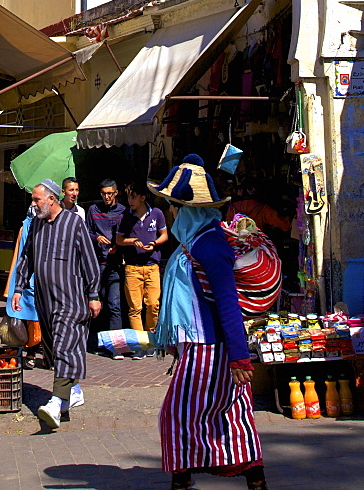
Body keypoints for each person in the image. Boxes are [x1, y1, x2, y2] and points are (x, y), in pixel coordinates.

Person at [150, 154, 268, 490]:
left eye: (174, 206)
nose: (172, 213)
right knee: (232, 417)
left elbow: (227, 301)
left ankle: (182, 483)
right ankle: (255, 481)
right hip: (204, 345)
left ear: (189, 209)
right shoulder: (195, 240)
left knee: (178, 415)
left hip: (210, 348)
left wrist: (239, 356)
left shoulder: (211, 244)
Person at [12, 178, 101, 430]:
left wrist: (93, 294)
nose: (33, 203)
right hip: (44, 300)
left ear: (51, 199)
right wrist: (18, 288)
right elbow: (26, 258)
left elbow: (89, 260)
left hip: (71, 299)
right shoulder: (36, 225)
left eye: (36, 199)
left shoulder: (74, 223)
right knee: (54, 349)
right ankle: (72, 391)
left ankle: (55, 403)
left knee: (64, 344)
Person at [116, 181, 168, 354]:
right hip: (132, 267)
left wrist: (154, 244)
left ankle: (151, 339)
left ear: (143, 197)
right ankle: (140, 344)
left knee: (153, 304)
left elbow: (164, 235)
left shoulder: (157, 214)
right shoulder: (125, 216)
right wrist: (132, 241)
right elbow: (119, 240)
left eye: (134, 197)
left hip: (152, 265)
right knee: (135, 308)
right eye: (128, 197)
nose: (130, 201)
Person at [86, 178, 126, 354]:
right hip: (96, 264)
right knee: (97, 304)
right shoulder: (93, 210)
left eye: (110, 193)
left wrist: (118, 247)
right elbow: (87, 232)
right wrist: (96, 238)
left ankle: (115, 346)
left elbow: (127, 234)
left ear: (116, 193)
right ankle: (96, 343)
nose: (106, 197)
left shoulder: (123, 211)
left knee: (114, 303)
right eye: (103, 194)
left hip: (114, 264)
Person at [4, 205, 41, 368]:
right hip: (28, 280)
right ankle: (32, 352)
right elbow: (20, 256)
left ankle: (40, 353)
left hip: (37, 279)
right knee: (31, 319)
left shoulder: (46, 227)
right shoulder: (26, 228)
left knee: (38, 320)